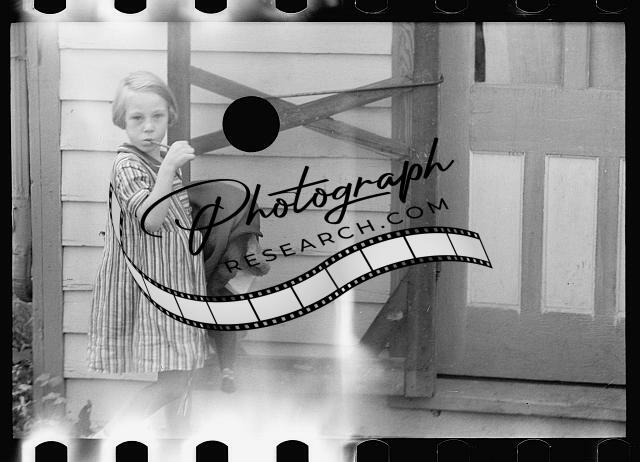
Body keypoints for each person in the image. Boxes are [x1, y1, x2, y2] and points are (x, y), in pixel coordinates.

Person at [87, 71, 207, 436]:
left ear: (170, 115)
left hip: (175, 281)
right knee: (174, 381)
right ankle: (107, 436)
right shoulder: (127, 165)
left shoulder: (160, 159)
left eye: (157, 116)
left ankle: (160, 437)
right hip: (152, 290)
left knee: (181, 377)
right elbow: (151, 220)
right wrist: (169, 168)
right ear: (121, 120)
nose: (149, 127)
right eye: (137, 118)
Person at [189, 182, 270, 393]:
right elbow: (255, 263)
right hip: (226, 273)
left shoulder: (234, 233)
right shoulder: (240, 227)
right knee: (225, 320)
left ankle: (226, 366)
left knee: (223, 318)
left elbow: (254, 261)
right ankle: (227, 368)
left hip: (220, 270)